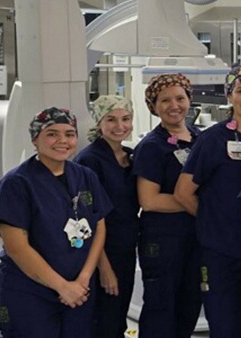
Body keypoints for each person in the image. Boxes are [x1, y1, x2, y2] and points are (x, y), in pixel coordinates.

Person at [0, 107, 112, 338]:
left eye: (69, 134)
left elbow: (99, 226)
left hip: (80, 289)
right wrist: (63, 287)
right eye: (52, 134)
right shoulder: (16, 184)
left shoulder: (85, 176)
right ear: (35, 139)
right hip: (30, 292)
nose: (62, 141)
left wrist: (84, 279)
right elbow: (17, 248)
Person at [173, 66, 241, 338]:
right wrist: (212, 222)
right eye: (240, 91)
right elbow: (183, 193)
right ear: (230, 96)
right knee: (225, 326)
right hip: (221, 251)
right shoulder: (213, 140)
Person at [133, 73, 202, 338]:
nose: (174, 105)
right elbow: (149, 200)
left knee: (189, 305)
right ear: (154, 106)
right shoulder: (151, 147)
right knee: (162, 309)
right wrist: (199, 206)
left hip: (194, 239)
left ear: (189, 99)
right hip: (163, 242)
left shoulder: (199, 138)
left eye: (179, 98)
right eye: (165, 100)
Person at [74, 96, 138, 338]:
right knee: (103, 320)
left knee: (118, 315)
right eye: (111, 119)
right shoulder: (89, 160)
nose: (119, 125)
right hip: (101, 252)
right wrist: (104, 267)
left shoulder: (130, 157)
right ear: (99, 123)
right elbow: (87, 221)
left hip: (125, 248)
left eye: (125, 119)